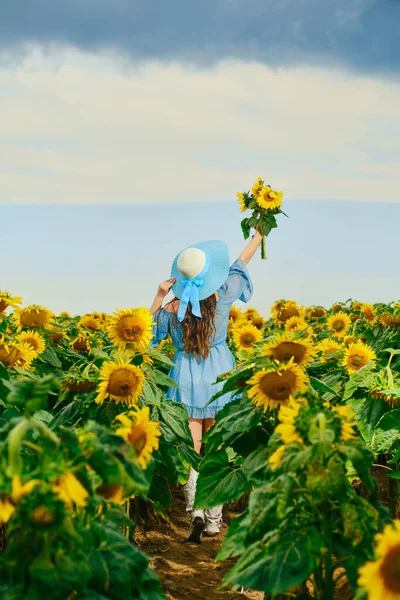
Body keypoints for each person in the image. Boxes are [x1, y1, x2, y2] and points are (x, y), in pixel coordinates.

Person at [149, 231, 263, 543]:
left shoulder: (172, 309)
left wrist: (160, 294)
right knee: (216, 451)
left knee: (192, 451)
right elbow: (241, 263)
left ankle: (194, 511)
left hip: (185, 378)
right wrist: (257, 236)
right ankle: (214, 521)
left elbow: (146, 332)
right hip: (219, 377)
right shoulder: (223, 295)